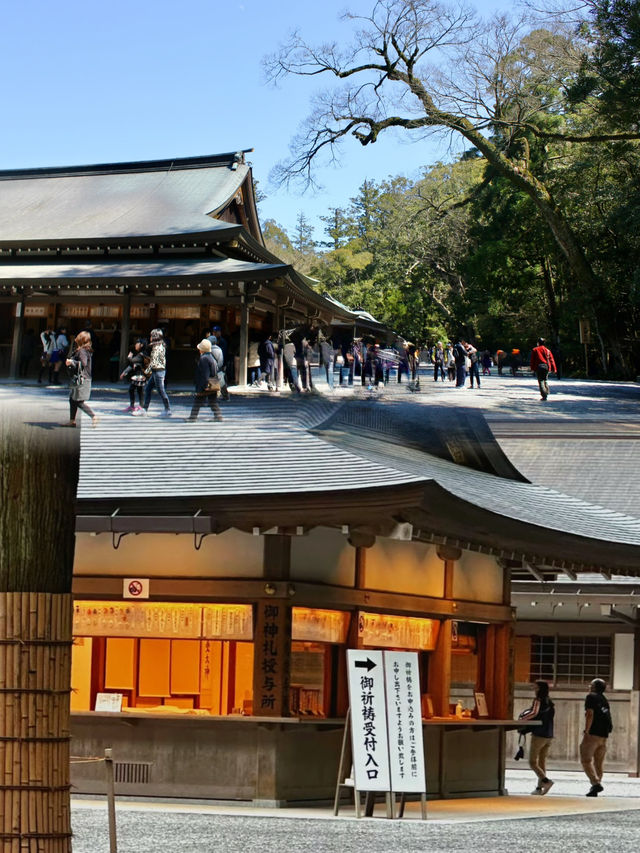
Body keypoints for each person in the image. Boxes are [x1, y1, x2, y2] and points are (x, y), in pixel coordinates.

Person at [519, 680, 555, 795]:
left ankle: (546, 781)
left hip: (539, 734)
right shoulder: (550, 702)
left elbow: (534, 713)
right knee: (541, 763)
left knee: (532, 762)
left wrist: (521, 720)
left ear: (539, 689)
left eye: (535, 687)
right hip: (549, 734)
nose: (533, 688)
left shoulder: (538, 700)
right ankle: (539, 789)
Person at [580, 678, 613, 797]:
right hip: (603, 735)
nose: (589, 686)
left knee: (586, 759)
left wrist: (587, 731)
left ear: (594, 687)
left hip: (593, 733)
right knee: (598, 763)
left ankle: (595, 783)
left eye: (591, 684)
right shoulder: (604, 699)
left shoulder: (591, 697)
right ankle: (595, 787)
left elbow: (590, 714)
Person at [64, 331, 98, 427]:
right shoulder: (84, 349)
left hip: (83, 379)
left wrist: (71, 362)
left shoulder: (82, 351)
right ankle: (72, 421)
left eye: (78, 336)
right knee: (72, 399)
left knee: (78, 401)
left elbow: (83, 363)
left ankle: (94, 416)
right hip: (83, 378)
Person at [184, 339, 223, 422]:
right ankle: (218, 416)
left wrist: (203, 386)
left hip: (206, 384)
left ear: (202, 349)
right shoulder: (211, 357)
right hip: (213, 383)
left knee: (197, 401)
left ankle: (192, 417)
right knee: (212, 401)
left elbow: (205, 374)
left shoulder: (204, 359)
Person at [141, 328, 172, 417]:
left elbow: (153, 361)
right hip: (157, 371)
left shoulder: (158, 347)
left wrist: (146, 372)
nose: (150, 337)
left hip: (158, 371)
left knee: (161, 391)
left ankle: (167, 409)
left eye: (151, 335)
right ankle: (145, 409)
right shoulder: (160, 345)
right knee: (148, 389)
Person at [120, 338, 148, 413]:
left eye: (137, 343)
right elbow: (132, 365)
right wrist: (125, 372)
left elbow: (132, 361)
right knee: (136, 390)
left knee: (137, 390)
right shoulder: (139, 354)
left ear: (141, 345)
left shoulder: (142, 354)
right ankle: (135, 406)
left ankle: (140, 406)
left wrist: (129, 357)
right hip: (137, 375)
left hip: (141, 375)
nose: (135, 345)